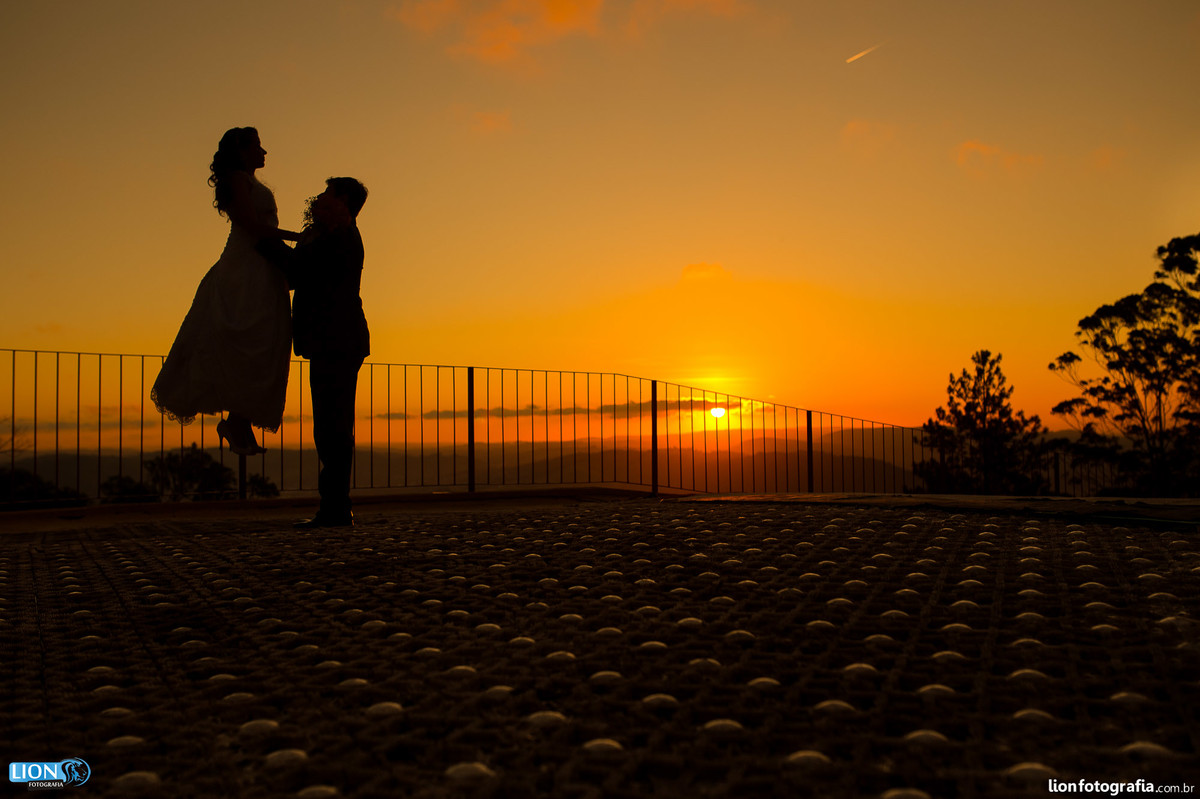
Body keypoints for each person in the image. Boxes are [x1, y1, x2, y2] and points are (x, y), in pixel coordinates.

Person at [152, 127, 298, 455]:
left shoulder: (249, 182)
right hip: (245, 268)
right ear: (242, 151)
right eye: (258, 147)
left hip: (262, 268)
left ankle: (238, 421)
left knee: (260, 345)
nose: (264, 152)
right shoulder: (236, 180)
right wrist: (302, 240)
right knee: (244, 342)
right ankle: (237, 422)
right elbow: (252, 227)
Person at [260, 178, 369, 528]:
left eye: (326, 194)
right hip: (333, 342)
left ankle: (336, 509)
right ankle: (335, 506)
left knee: (332, 426)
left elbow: (297, 270)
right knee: (330, 425)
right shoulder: (332, 238)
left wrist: (262, 237)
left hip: (337, 342)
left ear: (343, 201)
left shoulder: (341, 240)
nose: (319, 199)